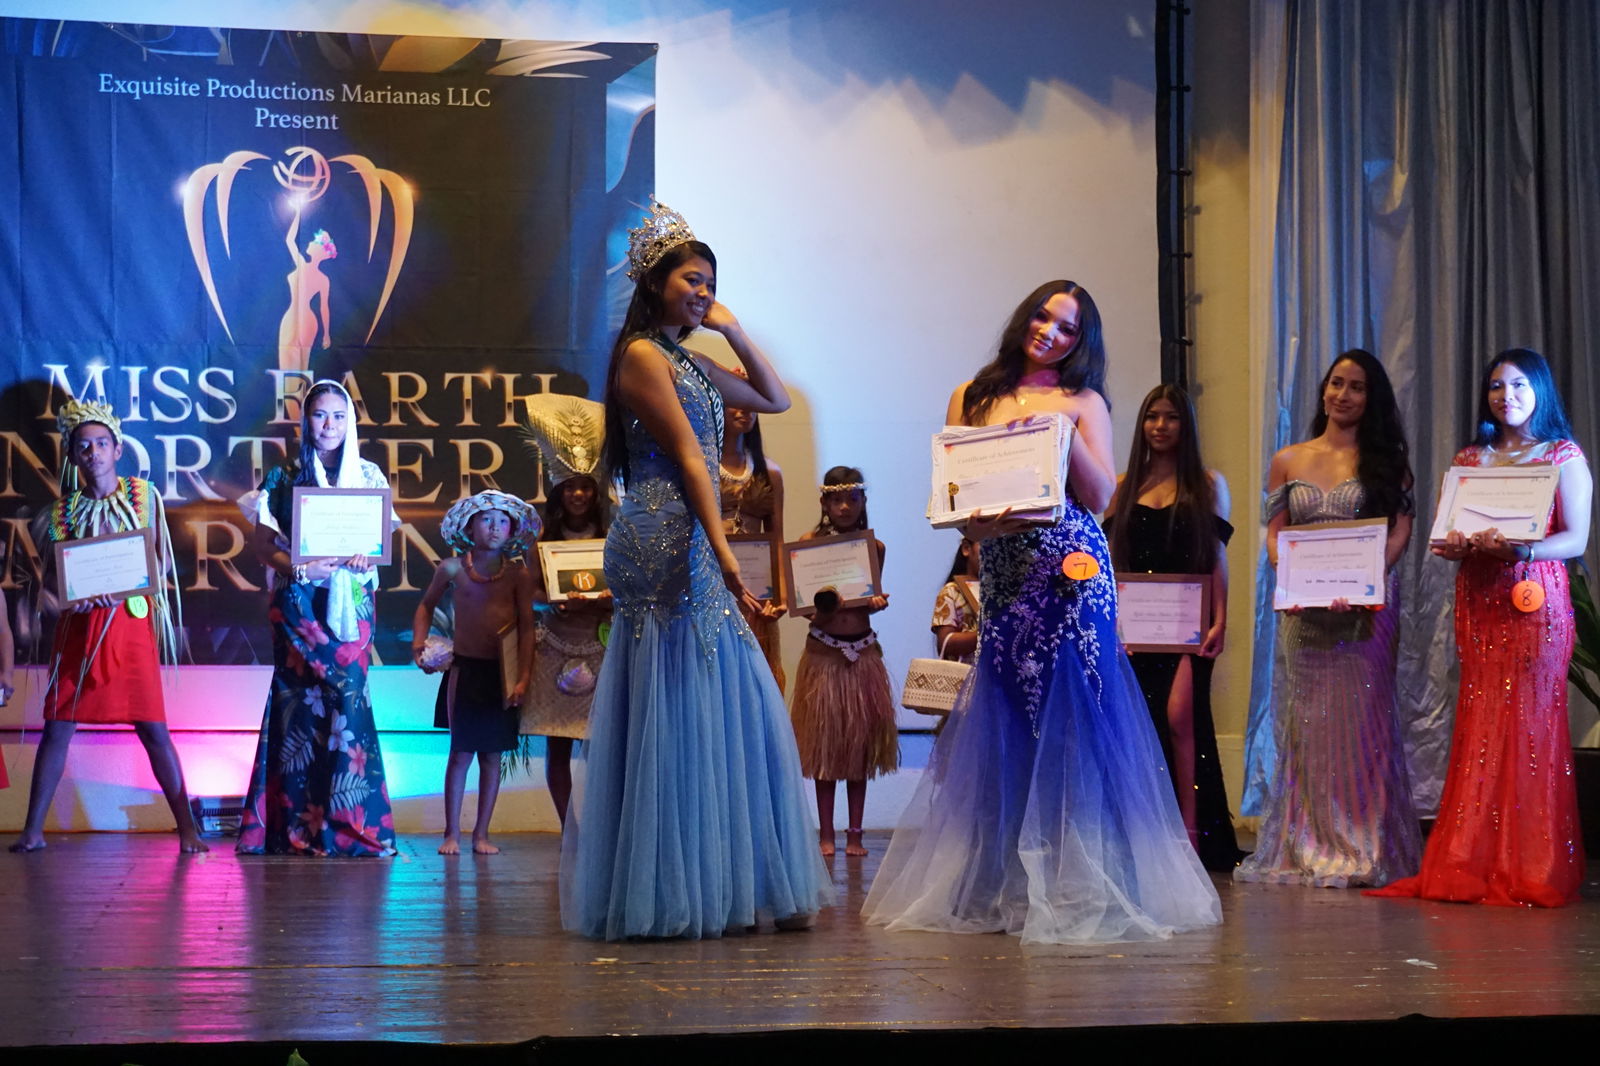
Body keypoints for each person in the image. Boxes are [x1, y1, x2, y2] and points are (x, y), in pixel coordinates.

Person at [862, 280, 1220, 944]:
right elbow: (952, 499)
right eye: (1042, 316)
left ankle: (1086, 879)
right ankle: (1008, 881)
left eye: (1067, 326)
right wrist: (980, 521)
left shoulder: (1084, 401)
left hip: (1070, 574)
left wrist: (1062, 434)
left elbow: (1099, 496)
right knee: (1009, 721)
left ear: (1082, 340)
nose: (1050, 332)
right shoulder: (975, 396)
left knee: (1080, 717)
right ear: (1024, 316)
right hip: (1003, 569)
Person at [560, 201, 831, 939]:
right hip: (662, 532)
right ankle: (678, 884)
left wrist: (733, 329)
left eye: (711, 280)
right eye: (691, 278)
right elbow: (687, 456)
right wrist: (721, 552)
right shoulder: (644, 355)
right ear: (655, 284)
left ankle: (721, 879)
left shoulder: (694, 358)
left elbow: (773, 399)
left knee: (724, 688)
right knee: (683, 688)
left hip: (693, 528)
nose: (703, 290)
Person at [1370, 348, 1591, 907]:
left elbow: (1577, 540)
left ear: (1539, 390)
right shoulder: (1473, 456)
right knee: (1483, 722)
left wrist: (1524, 547)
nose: (1506, 396)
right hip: (1482, 599)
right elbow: (1446, 537)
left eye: (1519, 385)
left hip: (1534, 600)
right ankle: (1477, 858)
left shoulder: (1561, 455)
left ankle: (1533, 863)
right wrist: (1457, 544)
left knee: (1533, 726)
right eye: (1496, 386)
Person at [1235, 349, 1420, 888]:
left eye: (1356, 386)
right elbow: (1275, 532)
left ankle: (1363, 844)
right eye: (1336, 383)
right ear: (1323, 391)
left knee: (1363, 726)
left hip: (1365, 609)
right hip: (1304, 612)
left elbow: (1400, 531)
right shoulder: (1288, 459)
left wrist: (1363, 580)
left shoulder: (1387, 462)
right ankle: (1308, 842)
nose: (1343, 394)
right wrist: (1283, 565)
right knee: (1309, 726)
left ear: (1372, 397)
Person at [9, 400, 206, 854]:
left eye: (101, 443)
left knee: (153, 728)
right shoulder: (58, 515)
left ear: (118, 449)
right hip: (79, 629)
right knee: (58, 725)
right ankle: (33, 830)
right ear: (73, 456)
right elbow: (53, 586)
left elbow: (155, 564)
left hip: (129, 626)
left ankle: (188, 830)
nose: (93, 452)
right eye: (84, 446)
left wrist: (127, 588)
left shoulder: (143, 498)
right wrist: (69, 600)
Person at [236, 379, 396, 857]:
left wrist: (368, 558)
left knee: (350, 707)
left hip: (351, 608)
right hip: (299, 609)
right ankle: (291, 827)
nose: (329, 425)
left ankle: (352, 829)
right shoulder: (283, 478)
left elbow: (377, 545)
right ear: (305, 421)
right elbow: (262, 547)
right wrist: (299, 567)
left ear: (351, 422)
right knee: (298, 709)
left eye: (339, 416)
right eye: (320, 415)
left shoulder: (368, 476)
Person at [1105, 384, 1243, 871]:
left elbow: (1217, 556)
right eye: (1152, 417)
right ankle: (1143, 831)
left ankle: (1191, 835)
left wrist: (1222, 618)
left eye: (1171, 418)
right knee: (1137, 723)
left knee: (1182, 716)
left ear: (1186, 426)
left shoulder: (1207, 485)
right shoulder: (1123, 487)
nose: (1160, 426)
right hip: (1133, 628)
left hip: (1186, 623)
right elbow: (1109, 563)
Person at [413, 490, 541, 855]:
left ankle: (481, 833)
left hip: (502, 675)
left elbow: (528, 627)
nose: (495, 527)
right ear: (470, 526)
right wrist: (418, 645)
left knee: (492, 756)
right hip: (464, 672)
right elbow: (425, 606)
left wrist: (523, 677)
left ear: (513, 528)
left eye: (503, 520)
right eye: (486, 519)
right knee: (460, 752)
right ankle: (450, 832)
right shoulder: (452, 568)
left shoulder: (518, 574)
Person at [788, 466, 898, 858]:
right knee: (825, 750)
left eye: (853, 498)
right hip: (824, 655)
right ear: (824, 503)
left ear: (864, 501)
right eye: (837, 499)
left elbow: (869, 600)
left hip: (862, 655)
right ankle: (826, 834)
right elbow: (804, 611)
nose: (845, 506)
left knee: (858, 751)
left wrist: (877, 602)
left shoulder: (874, 549)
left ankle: (855, 834)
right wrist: (820, 608)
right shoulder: (807, 546)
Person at [515, 394, 612, 826]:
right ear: (559, 492)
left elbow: (628, 590)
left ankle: (602, 827)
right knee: (557, 747)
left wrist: (607, 598)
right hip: (556, 647)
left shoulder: (614, 538)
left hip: (602, 648)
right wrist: (552, 598)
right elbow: (529, 594)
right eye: (570, 487)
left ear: (595, 493)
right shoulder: (543, 542)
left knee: (605, 745)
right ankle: (568, 828)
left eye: (585, 487)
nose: (577, 494)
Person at [720, 392, 788, 690]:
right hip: (713, 582)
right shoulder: (700, 466)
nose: (746, 411)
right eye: (737, 401)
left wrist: (782, 595)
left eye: (753, 405)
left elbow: (777, 538)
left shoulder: (769, 471)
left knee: (756, 674)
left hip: (756, 588)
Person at [930, 537, 980, 665]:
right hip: (966, 678)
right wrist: (989, 635)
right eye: (986, 543)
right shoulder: (952, 591)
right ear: (966, 548)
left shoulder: (1004, 591)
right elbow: (945, 643)